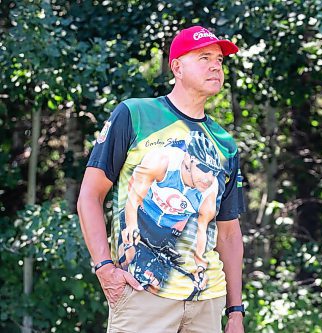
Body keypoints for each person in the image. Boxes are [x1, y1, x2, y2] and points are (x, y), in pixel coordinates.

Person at [77, 25, 246, 333]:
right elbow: (90, 195)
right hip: (143, 294)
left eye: (219, 60)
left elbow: (229, 235)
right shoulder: (135, 114)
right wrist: (104, 267)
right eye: (204, 57)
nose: (215, 66)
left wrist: (235, 311)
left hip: (207, 301)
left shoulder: (225, 143)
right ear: (177, 67)